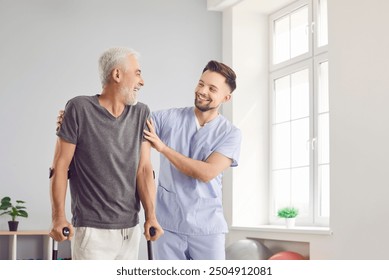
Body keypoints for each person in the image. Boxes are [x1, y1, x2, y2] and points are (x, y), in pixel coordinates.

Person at [49, 47, 163, 260]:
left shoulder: (141, 113)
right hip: (92, 232)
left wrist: (151, 216)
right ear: (117, 74)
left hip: (130, 230)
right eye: (137, 73)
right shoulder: (79, 108)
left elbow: (145, 169)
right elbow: (60, 166)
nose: (142, 81)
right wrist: (58, 217)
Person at [143, 60, 241, 260]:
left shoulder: (230, 134)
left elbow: (206, 172)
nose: (202, 91)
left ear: (226, 97)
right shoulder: (168, 119)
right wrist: (77, 118)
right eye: (201, 83)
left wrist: (162, 148)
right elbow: (129, 122)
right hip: (168, 225)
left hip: (207, 229)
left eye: (212, 88)